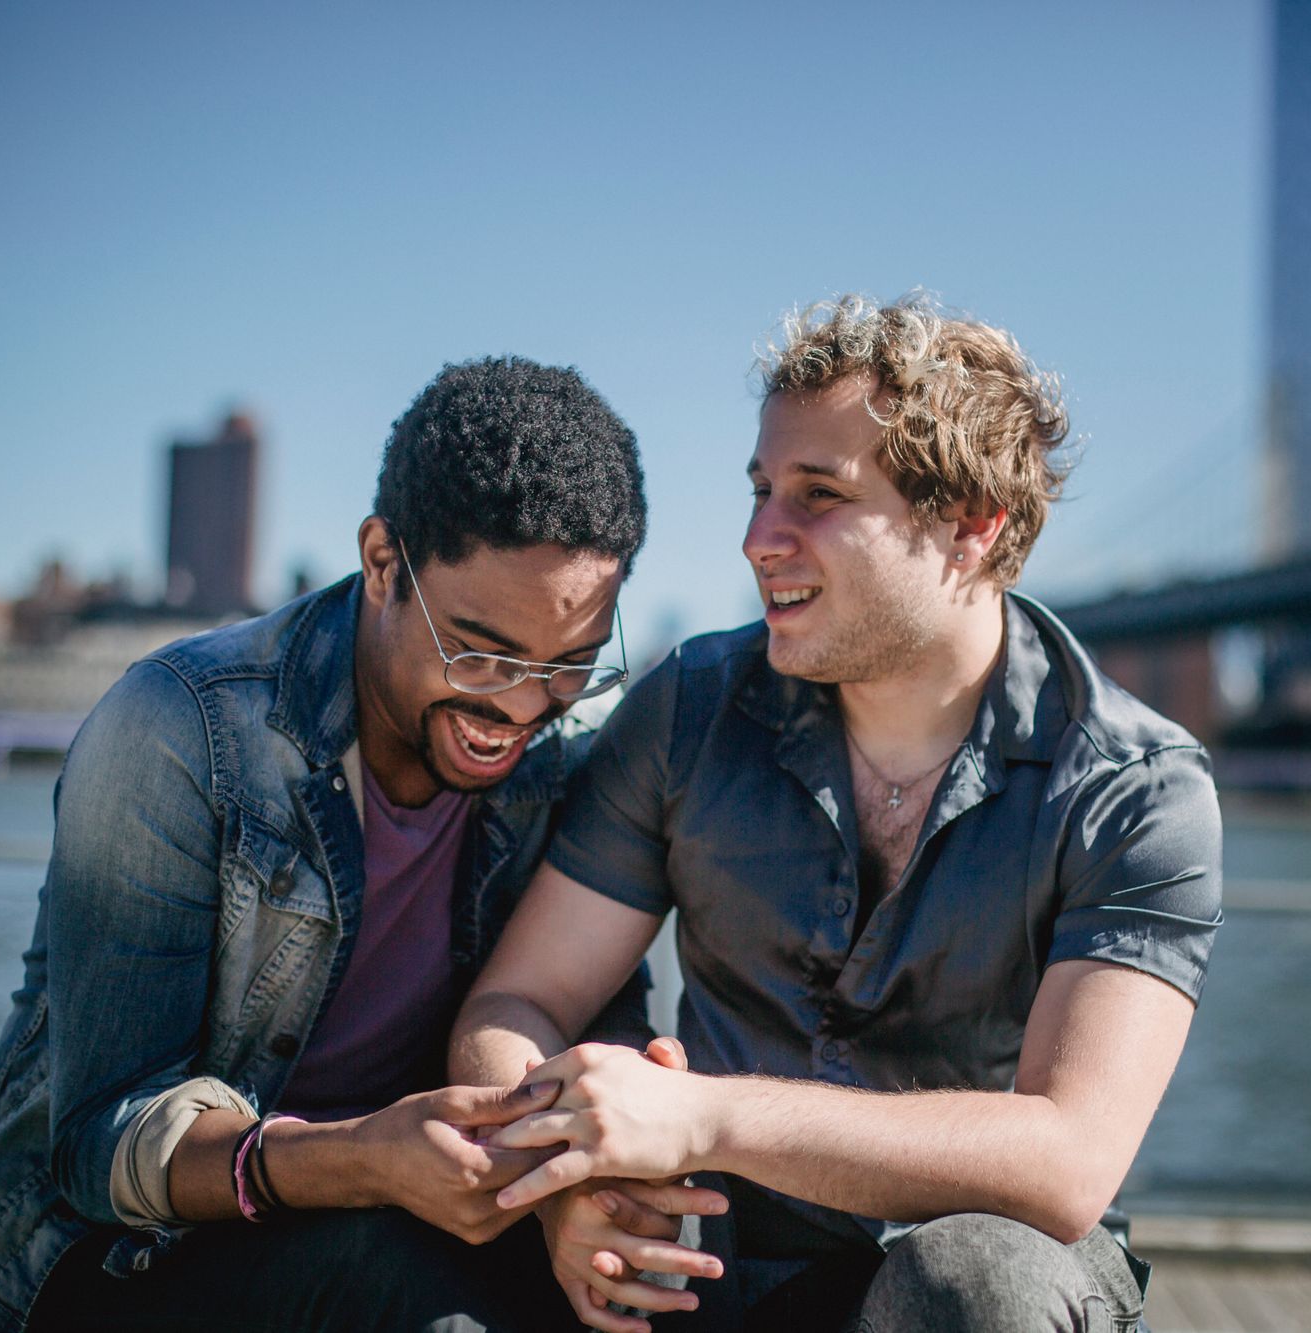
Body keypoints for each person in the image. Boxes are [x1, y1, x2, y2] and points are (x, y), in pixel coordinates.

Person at [452, 295, 1225, 1333]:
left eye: (816, 495)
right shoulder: (687, 711)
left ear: (968, 525)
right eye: (761, 488)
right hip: (704, 1254)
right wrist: (568, 1185)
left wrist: (702, 1117)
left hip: (956, 1273)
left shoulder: (1134, 789)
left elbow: (1066, 1159)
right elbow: (518, 1002)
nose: (756, 538)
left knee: (979, 1281)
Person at [0, 357, 725, 1333]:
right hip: (108, 1259)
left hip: (407, 1216)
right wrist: (360, 1155)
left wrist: (593, 1177)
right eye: (477, 649)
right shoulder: (180, 730)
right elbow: (96, 1147)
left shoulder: (568, 750)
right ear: (384, 560)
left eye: (569, 664)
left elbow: (593, 1021)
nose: (516, 707)